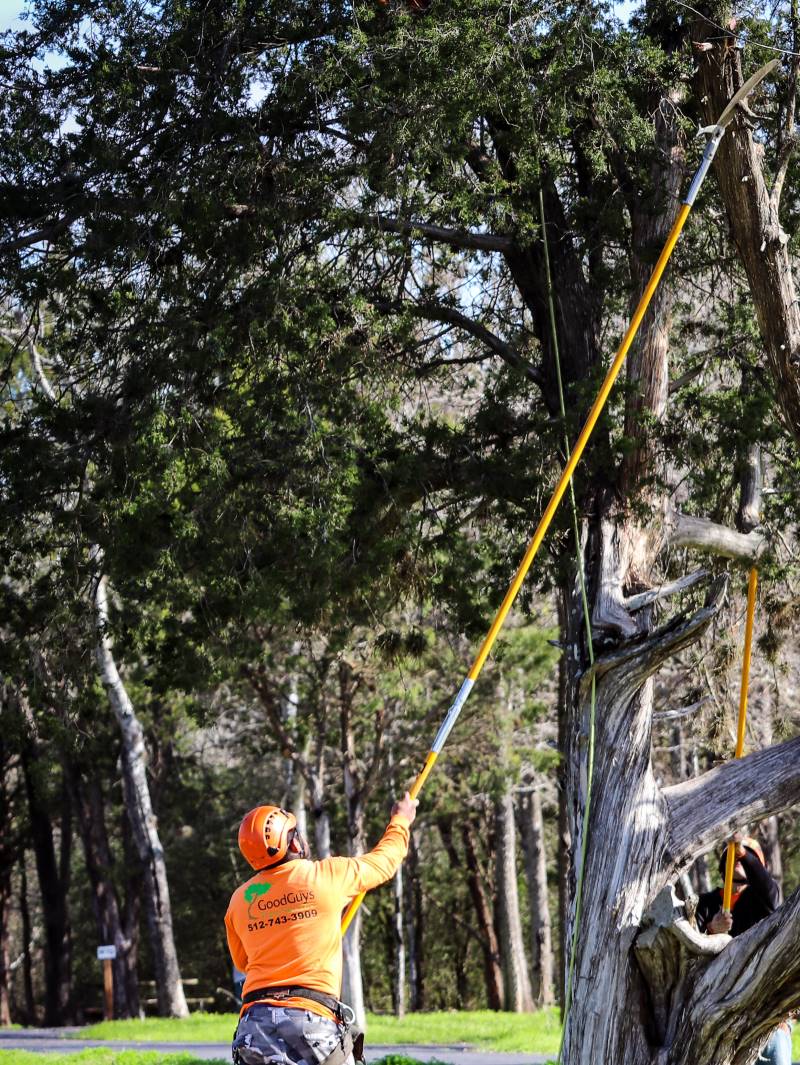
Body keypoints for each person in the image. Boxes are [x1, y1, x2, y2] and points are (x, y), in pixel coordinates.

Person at [225, 793, 418, 1065]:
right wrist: (401, 819)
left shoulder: (239, 901)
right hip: (311, 1020)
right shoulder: (326, 876)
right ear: (291, 841)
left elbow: (243, 962)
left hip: (255, 1025)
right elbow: (384, 861)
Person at [697, 833, 790, 1065]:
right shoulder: (705, 904)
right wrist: (711, 931)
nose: (739, 860)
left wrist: (743, 853)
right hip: (718, 1022)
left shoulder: (763, 901)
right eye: (734, 857)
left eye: (747, 859)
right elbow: (689, 956)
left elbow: (770, 891)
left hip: (766, 1020)